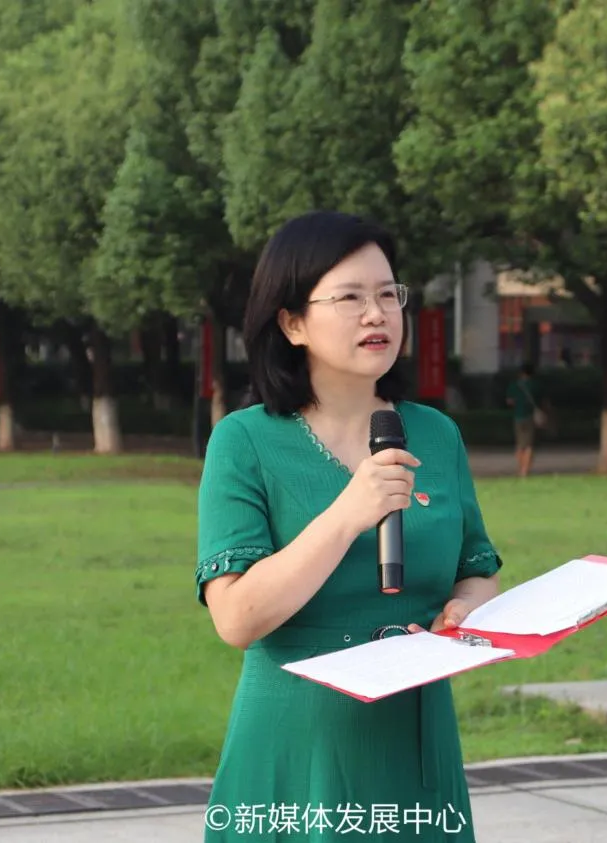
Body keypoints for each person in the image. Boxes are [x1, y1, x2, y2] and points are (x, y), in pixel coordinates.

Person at [195, 210, 503, 842]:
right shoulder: (243, 441)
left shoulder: (436, 434)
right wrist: (346, 514)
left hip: (414, 742)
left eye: (389, 295)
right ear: (292, 322)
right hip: (296, 743)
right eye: (351, 298)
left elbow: (476, 570)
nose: (376, 314)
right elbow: (236, 619)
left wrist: (464, 612)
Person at [505, 363, 539, 477]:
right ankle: (525, 470)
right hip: (530, 416)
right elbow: (542, 400)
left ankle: (520, 468)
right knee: (528, 444)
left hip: (518, 416)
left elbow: (509, 401)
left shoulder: (514, 385)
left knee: (519, 444)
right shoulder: (535, 385)